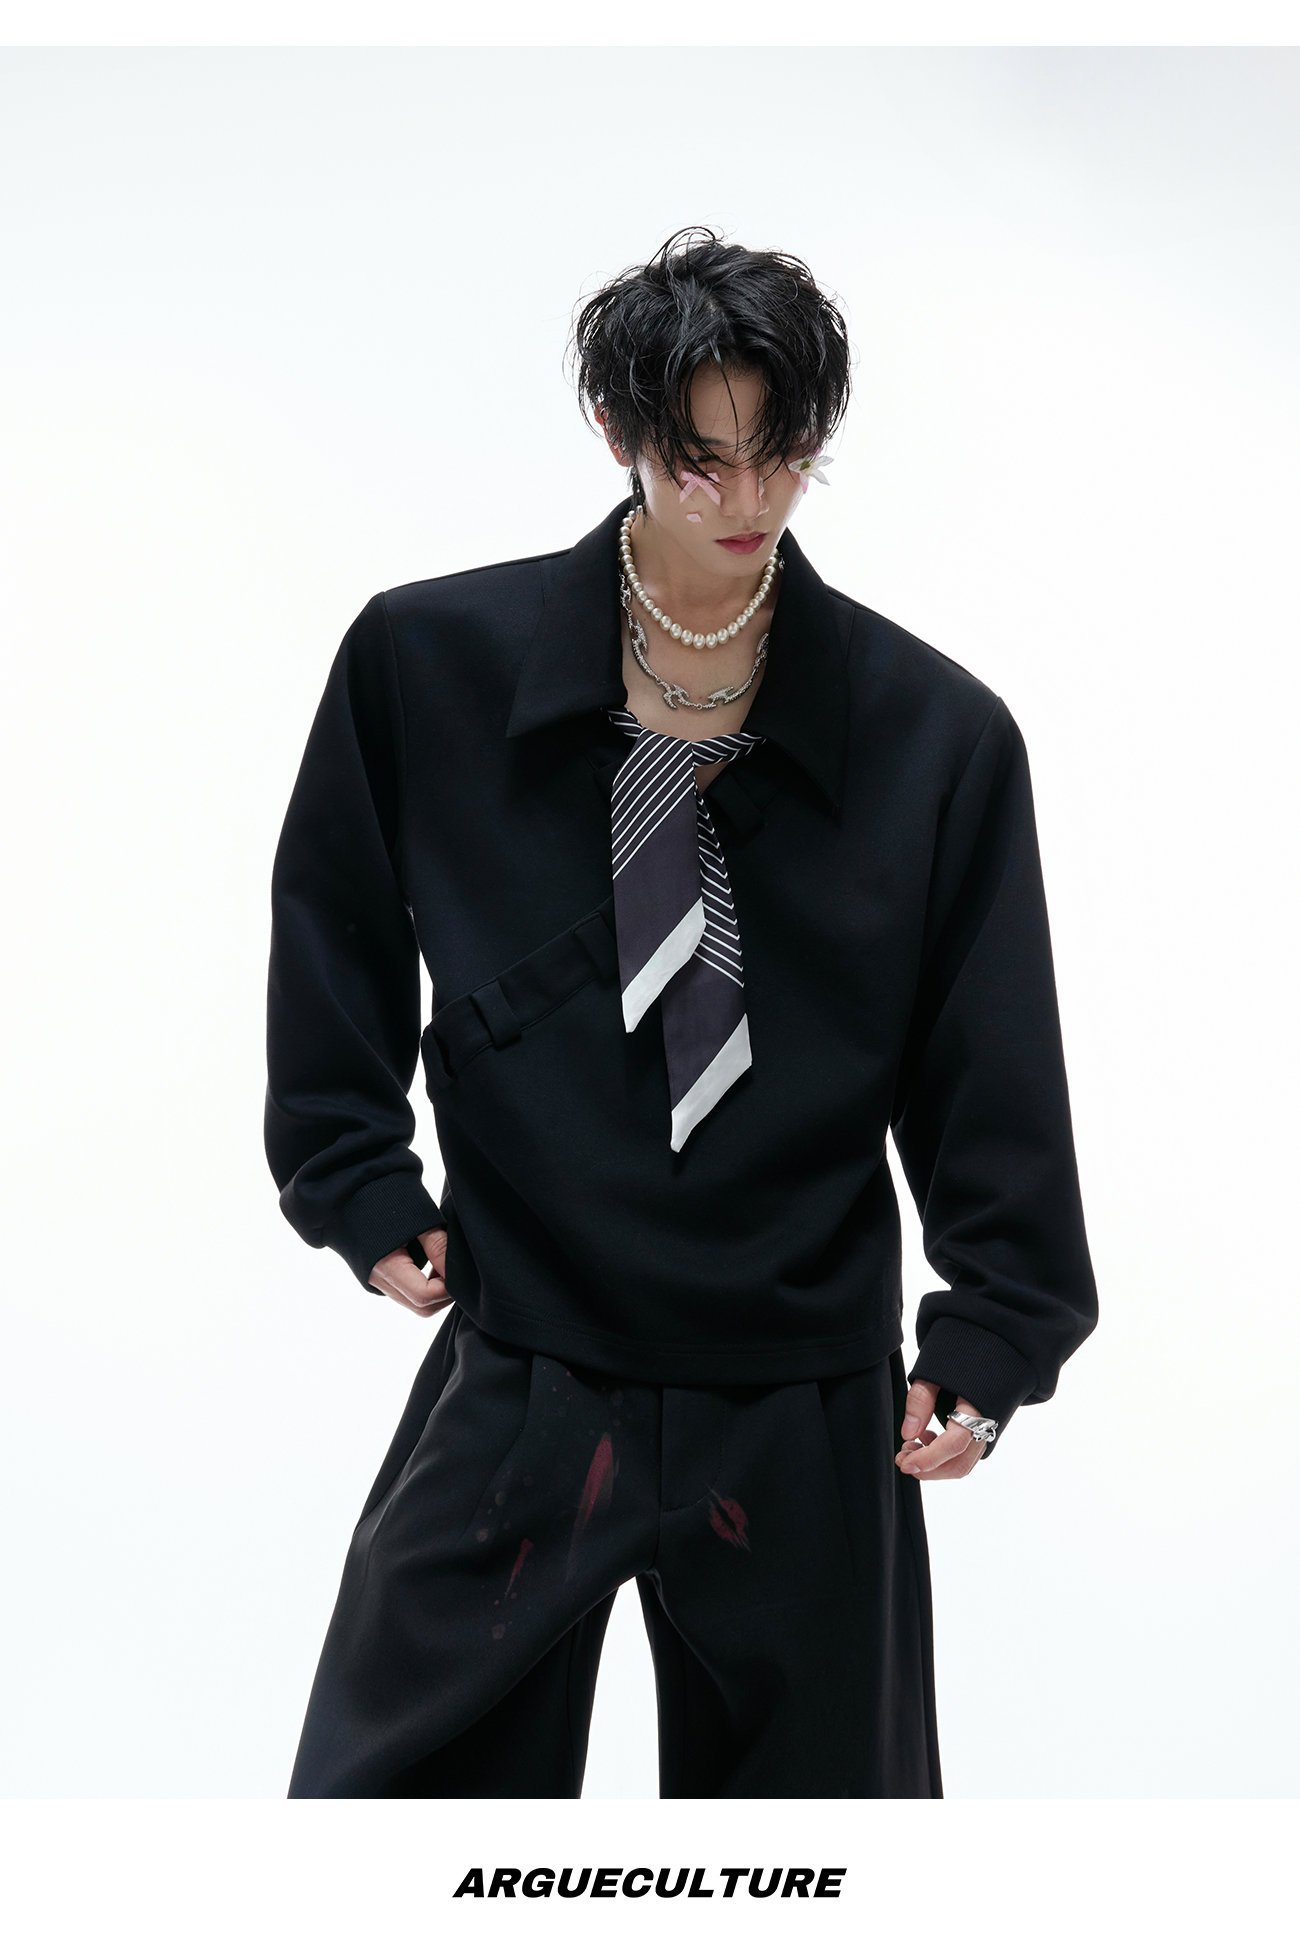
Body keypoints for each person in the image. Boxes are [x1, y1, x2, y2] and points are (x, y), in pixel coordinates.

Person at [265, 228, 1098, 1800]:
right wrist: (355, 1180)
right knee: (387, 1839)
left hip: (805, 1391)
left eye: (784, 452)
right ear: (617, 435)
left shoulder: (936, 738)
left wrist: (997, 1327)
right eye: (700, 460)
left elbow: (989, 1056)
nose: (747, 498)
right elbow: (333, 925)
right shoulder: (426, 666)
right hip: (527, 1357)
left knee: (820, 1873)